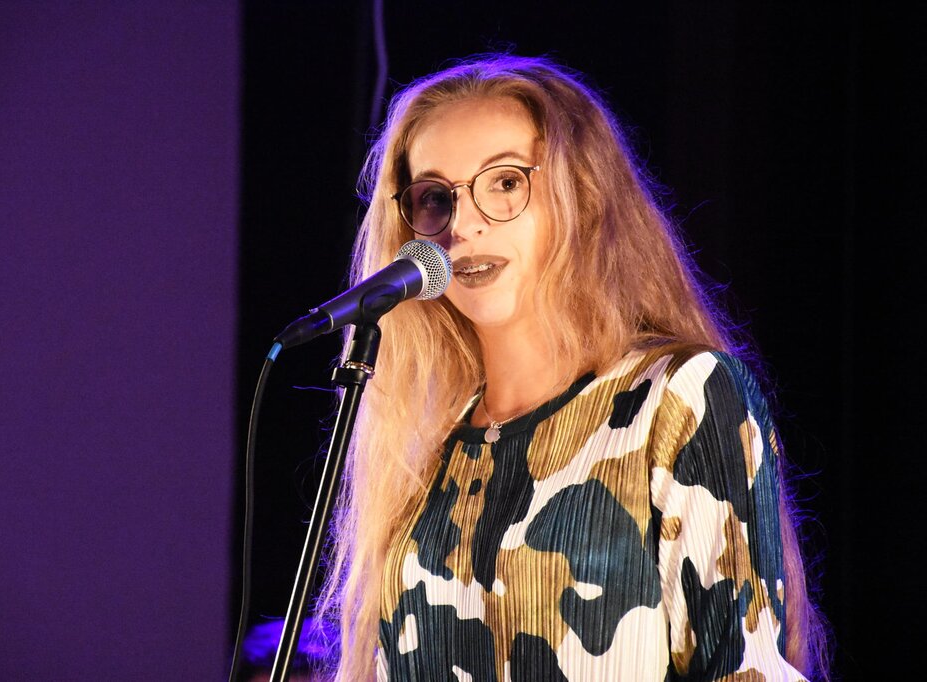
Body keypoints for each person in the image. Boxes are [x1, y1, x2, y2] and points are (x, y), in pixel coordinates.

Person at [316, 54, 830, 681]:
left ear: (582, 197)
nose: (463, 225)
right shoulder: (420, 444)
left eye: (505, 182)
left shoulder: (680, 397)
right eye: (435, 198)